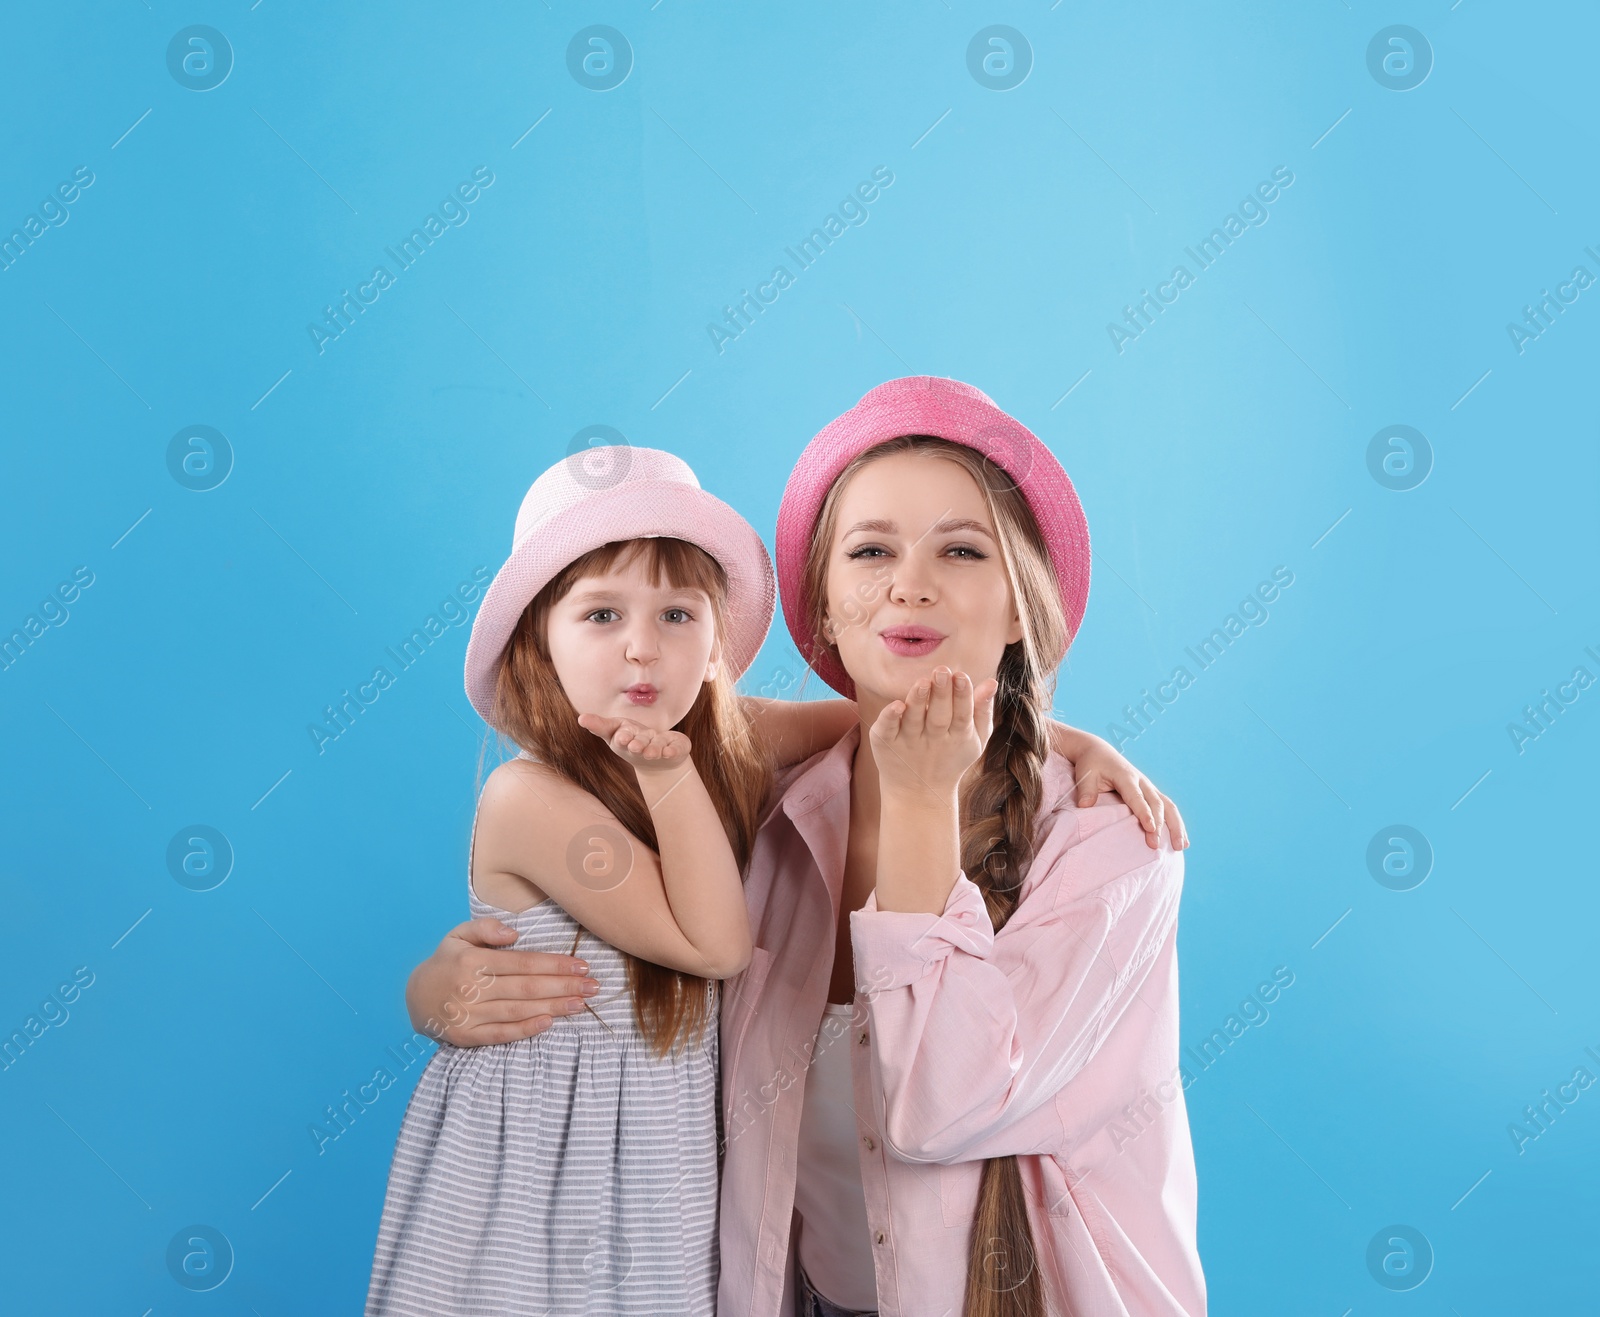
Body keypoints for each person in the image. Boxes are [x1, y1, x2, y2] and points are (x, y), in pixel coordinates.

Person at [401, 384, 1198, 1315]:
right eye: (870, 551)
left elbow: (944, 1109)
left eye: (962, 549)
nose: (910, 583)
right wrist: (432, 991)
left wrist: (969, 777)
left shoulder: (1110, 846)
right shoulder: (761, 798)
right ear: (820, 603)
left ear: (1024, 607)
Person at [365, 447, 782, 1316]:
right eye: (600, 614)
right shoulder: (529, 795)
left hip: (653, 1171)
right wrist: (672, 779)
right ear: (539, 642)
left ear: (713, 645)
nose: (643, 646)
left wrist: (1065, 743)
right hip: (539, 1175)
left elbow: (865, 726)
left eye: (677, 613)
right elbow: (715, 943)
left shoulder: (709, 746)